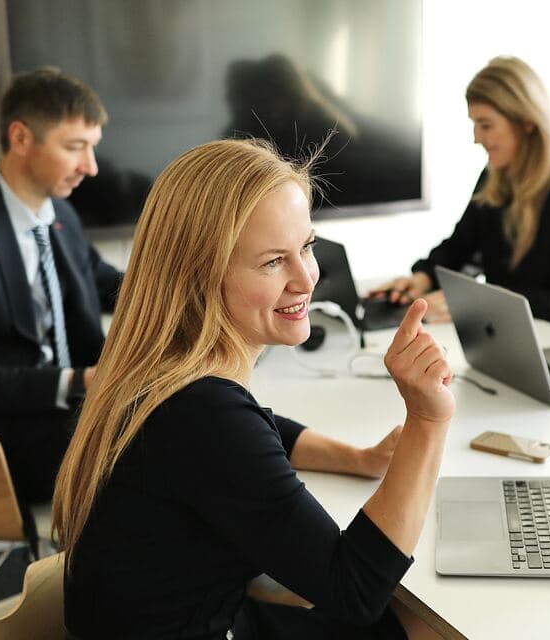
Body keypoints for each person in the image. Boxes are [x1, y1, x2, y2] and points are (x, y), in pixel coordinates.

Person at [53, 138, 455, 639]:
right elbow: (355, 590)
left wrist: (359, 458)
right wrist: (428, 421)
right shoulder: (204, 414)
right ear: (199, 277)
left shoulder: (160, 370)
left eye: (306, 247)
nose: (307, 279)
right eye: (272, 262)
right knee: (423, 628)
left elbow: (260, 432)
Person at [0, 68, 122, 511]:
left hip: (67, 417)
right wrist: (78, 381)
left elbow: (105, 284)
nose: (91, 167)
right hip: (1, 436)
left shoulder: (60, 214)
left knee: (188, 415)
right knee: (161, 450)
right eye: (75, 147)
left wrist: (193, 289)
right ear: (20, 138)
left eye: (92, 147)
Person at [370, 56, 550, 332]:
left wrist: (476, 304)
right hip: (518, 340)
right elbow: (460, 247)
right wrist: (423, 278)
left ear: (526, 122)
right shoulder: (495, 177)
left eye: (486, 125)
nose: (476, 138)